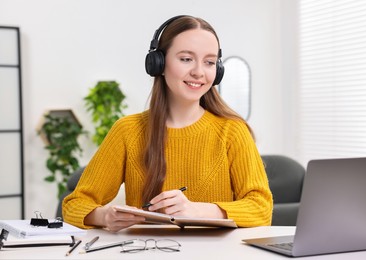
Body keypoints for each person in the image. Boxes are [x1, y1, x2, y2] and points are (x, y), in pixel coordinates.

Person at [63, 15, 273, 231]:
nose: (199, 72)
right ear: (159, 64)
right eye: (186, 59)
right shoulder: (128, 131)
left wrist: (197, 211)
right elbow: (75, 204)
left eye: (209, 62)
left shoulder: (232, 131)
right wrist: (104, 216)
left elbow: (261, 208)